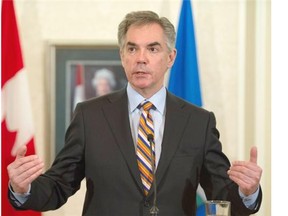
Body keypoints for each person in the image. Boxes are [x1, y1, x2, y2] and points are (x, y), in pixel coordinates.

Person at [7, 11, 262, 216]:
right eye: (132, 49)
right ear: (122, 55)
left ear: (171, 57)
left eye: (152, 49)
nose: (141, 58)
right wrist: (24, 188)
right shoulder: (90, 116)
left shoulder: (199, 122)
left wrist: (247, 192)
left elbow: (222, 195)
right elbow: (58, 186)